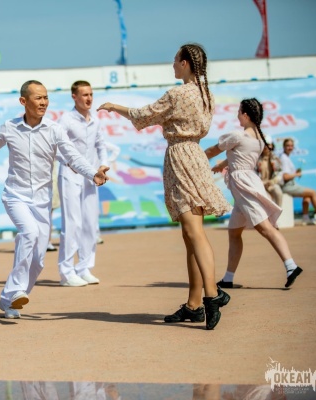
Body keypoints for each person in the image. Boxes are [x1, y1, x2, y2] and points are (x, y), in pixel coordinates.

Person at [0, 80, 109, 319]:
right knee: (29, 233)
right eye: (38, 98)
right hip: (16, 197)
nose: (44, 102)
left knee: (38, 261)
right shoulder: (10, 128)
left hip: (42, 202)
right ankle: (17, 290)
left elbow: (73, 156)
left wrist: (93, 173)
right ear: (23, 101)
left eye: (46, 97)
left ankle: (8, 300)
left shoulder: (54, 130)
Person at [97, 44, 231, 330]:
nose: (172, 65)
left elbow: (143, 114)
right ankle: (194, 304)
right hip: (195, 155)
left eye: (175, 60)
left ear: (185, 63)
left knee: (193, 233)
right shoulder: (206, 93)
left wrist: (113, 106)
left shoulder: (178, 94)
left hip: (181, 158)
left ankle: (212, 295)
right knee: (190, 234)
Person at [206, 98, 303, 289]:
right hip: (247, 183)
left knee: (266, 228)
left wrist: (194, 157)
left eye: (239, 112)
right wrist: (221, 165)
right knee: (234, 233)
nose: (237, 115)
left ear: (246, 115)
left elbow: (213, 150)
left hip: (243, 186)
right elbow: (239, 155)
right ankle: (228, 278)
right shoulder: (260, 138)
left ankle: (291, 266)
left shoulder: (237, 136)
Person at [56, 80, 108, 287]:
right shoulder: (66, 120)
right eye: (84, 95)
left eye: (91, 94)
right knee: (72, 224)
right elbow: (56, 146)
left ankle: (84, 268)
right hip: (70, 176)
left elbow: (101, 145)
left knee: (90, 224)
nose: (89, 98)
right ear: (74, 97)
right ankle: (66, 272)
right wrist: (68, 163)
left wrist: (103, 164)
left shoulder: (95, 120)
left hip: (91, 177)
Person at [279, 138, 316, 225]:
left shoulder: (286, 157)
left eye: (291, 146)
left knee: (307, 196)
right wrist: (296, 174)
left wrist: (295, 173)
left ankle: (305, 218)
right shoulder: (284, 158)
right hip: (287, 186)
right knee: (313, 192)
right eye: (288, 145)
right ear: (284, 147)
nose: (290, 147)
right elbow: (285, 177)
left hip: (291, 184)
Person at [257, 140, 283, 206]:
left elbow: (280, 173)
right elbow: (253, 173)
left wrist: (272, 181)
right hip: (260, 184)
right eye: (264, 145)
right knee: (268, 198)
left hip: (271, 183)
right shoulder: (256, 159)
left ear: (272, 146)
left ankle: (278, 211)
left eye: (268, 144)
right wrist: (262, 183)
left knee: (278, 192)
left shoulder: (275, 158)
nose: (266, 147)